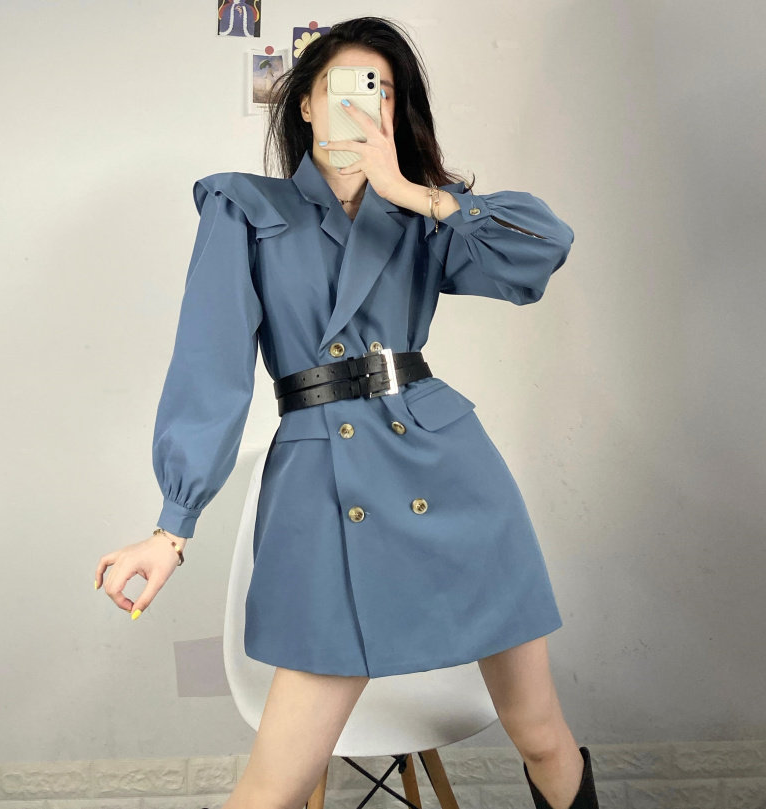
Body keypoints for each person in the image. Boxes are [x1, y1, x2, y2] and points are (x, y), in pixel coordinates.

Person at [94, 15, 599, 809]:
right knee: (274, 783)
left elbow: (544, 246)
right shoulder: (244, 206)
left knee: (540, 734)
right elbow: (210, 367)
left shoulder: (422, 215)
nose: (362, 105)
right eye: (342, 88)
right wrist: (172, 526)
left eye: (381, 91)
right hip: (325, 486)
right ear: (305, 104)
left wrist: (414, 192)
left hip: (449, 471)